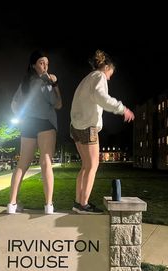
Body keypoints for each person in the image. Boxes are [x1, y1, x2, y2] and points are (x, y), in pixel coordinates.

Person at [70, 49, 135, 214]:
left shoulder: (86, 79)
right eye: (111, 73)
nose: (110, 77)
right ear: (107, 68)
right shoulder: (99, 77)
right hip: (88, 127)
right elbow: (102, 97)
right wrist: (122, 109)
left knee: (85, 166)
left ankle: (78, 202)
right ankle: (84, 204)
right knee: (93, 164)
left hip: (75, 127)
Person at [7, 49, 62, 214]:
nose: (45, 66)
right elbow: (58, 104)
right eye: (41, 63)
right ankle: (48, 205)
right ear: (33, 65)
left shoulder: (24, 83)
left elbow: (14, 104)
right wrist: (55, 84)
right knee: (46, 162)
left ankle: (12, 204)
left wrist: (22, 118)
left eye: (47, 63)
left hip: (28, 124)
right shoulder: (45, 81)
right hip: (45, 123)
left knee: (22, 164)